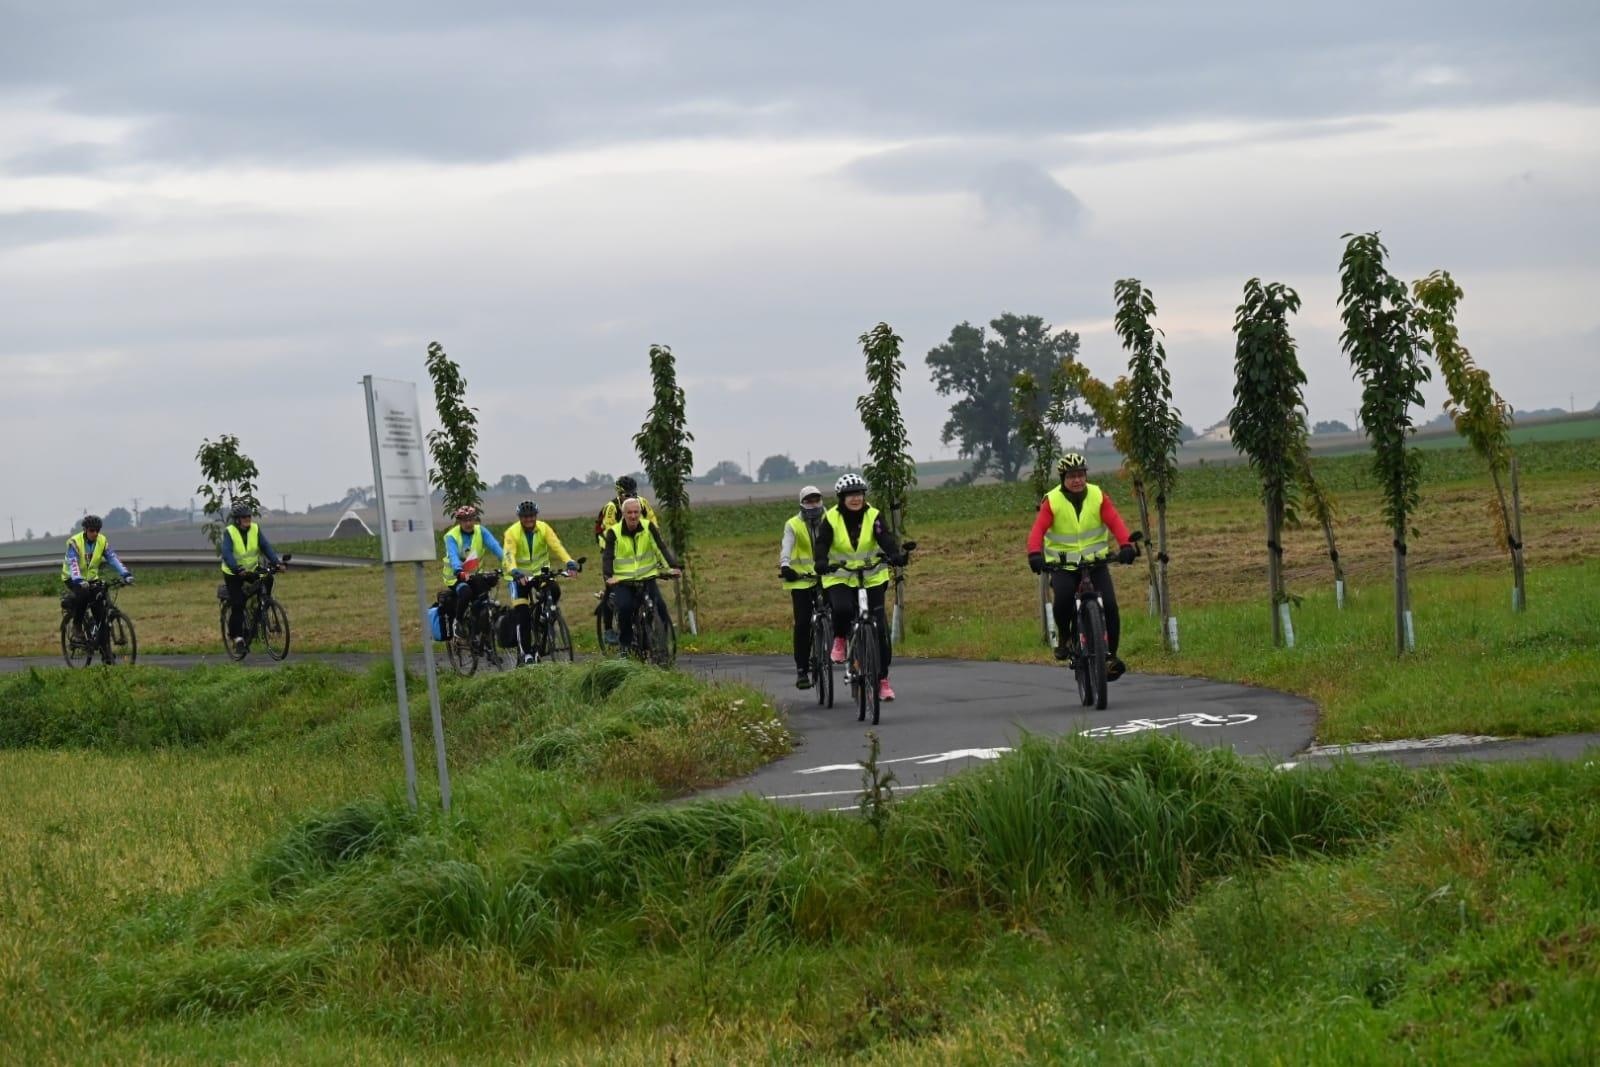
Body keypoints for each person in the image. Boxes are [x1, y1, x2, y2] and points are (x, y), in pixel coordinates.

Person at [1026, 452, 1138, 680]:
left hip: (1095, 563)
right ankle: (1065, 637)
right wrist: (1034, 554)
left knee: (1110, 605)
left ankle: (1110, 657)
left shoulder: (1097, 495)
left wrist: (1126, 545)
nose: (1077, 480)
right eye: (1071, 476)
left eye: (1080, 475)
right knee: (1063, 599)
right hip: (1064, 566)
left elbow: (1115, 521)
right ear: (1063, 478)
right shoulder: (1052, 500)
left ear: (1085, 476)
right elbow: (1038, 530)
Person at [812, 473, 904, 702]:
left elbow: (884, 537)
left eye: (859, 494)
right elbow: (822, 543)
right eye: (850, 495)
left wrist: (894, 555)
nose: (856, 499)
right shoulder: (831, 518)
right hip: (840, 576)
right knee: (842, 609)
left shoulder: (873, 515)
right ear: (842, 498)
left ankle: (882, 681)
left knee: (880, 632)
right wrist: (821, 561)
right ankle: (840, 639)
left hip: (871, 575)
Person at [502, 499, 579, 665]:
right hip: (518, 577)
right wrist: (514, 571)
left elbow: (556, 546)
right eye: (525, 517)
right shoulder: (512, 532)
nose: (529, 519)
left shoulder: (544, 528)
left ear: (536, 516)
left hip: (539, 575)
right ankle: (526, 653)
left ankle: (544, 618)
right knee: (522, 613)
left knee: (554, 589)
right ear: (520, 518)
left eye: (532, 516)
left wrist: (569, 561)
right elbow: (508, 555)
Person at [601, 497, 681, 655]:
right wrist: (609, 576)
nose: (633, 516)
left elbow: (660, 548)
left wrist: (672, 567)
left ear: (640, 513)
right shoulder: (614, 532)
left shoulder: (648, 527)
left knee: (661, 609)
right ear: (623, 514)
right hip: (624, 581)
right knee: (625, 609)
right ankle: (625, 646)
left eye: (636, 512)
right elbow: (608, 556)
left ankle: (660, 643)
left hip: (647, 578)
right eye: (629, 513)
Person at [594, 475, 657, 645]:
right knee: (611, 590)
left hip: (636, 550)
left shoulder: (642, 503)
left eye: (633, 494)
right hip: (612, 549)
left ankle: (644, 629)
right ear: (619, 494)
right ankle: (608, 629)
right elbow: (609, 533)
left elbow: (653, 524)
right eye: (626, 495)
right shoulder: (612, 507)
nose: (630, 497)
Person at [778, 485, 827, 689]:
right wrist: (785, 566)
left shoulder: (831, 519)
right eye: (809, 501)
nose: (813, 504)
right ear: (802, 503)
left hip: (828, 575)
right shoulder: (793, 524)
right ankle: (802, 670)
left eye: (816, 500)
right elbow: (787, 546)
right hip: (801, 579)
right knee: (803, 623)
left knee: (842, 610)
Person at [220, 502, 284, 651]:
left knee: (268, 577)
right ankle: (237, 637)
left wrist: (277, 563)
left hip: (252, 569)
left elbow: (265, 546)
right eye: (244, 517)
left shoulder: (255, 529)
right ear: (237, 519)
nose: (247, 519)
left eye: (249, 516)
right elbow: (227, 553)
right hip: (233, 572)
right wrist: (236, 568)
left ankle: (264, 603)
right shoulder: (230, 532)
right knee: (238, 603)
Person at [61, 514, 133, 635]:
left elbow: (112, 558)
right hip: (72, 578)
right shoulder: (75, 542)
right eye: (92, 530)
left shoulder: (102, 541)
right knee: (83, 594)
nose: (95, 533)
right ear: (85, 530)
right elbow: (73, 562)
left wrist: (125, 574)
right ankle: (77, 625)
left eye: (97, 530)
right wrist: (78, 580)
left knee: (100, 604)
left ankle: (102, 642)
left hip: (91, 579)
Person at [440, 504, 504, 638]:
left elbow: (495, 547)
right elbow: (453, 556)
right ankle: (458, 622)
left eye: (471, 519)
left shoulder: (481, 531)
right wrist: (459, 571)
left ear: (475, 519)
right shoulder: (451, 536)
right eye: (465, 520)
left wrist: (509, 564)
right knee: (466, 593)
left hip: (475, 575)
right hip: (455, 577)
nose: (468, 523)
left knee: (483, 598)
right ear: (459, 521)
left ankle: (480, 634)